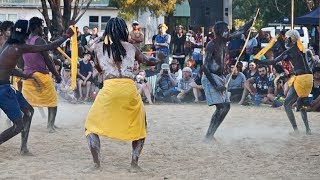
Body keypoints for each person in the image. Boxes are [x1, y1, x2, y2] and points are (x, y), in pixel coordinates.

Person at [84, 17, 164, 171]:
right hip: (129, 89)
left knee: (90, 126)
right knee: (140, 126)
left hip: (109, 88)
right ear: (123, 30)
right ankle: (134, 164)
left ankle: (96, 164)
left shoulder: (99, 48)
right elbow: (148, 60)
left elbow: (99, 69)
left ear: (107, 31)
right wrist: (159, 59)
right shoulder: (131, 47)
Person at [0, 19, 73, 154]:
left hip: (6, 87)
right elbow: (50, 47)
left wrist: (22, 73)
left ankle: (23, 149)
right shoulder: (20, 46)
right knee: (18, 126)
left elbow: (5, 67)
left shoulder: (8, 44)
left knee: (28, 111)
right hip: (3, 89)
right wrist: (67, 36)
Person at [202, 19, 253, 140]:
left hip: (220, 77)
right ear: (219, 32)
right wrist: (215, 85)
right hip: (211, 77)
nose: (228, 32)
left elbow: (241, 30)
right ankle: (209, 135)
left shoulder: (225, 40)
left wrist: (250, 21)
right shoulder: (211, 45)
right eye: (226, 30)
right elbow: (204, 67)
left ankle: (211, 134)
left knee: (226, 106)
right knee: (221, 107)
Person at [255, 30, 313, 135]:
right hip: (309, 78)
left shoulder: (290, 51)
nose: (285, 39)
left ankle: (296, 130)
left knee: (287, 104)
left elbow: (273, 61)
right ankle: (307, 130)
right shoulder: (302, 48)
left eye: (286, 38)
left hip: (301, 79)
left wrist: (259, 61)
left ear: (290, 39)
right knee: (301, 103)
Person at [22, 17, 62, 133]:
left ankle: (18, 123)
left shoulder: (24, 40)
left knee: (27, 103)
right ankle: (50, 126)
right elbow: (48, 60)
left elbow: (21, 59)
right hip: (41, 76)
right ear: (36, 27)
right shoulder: (40, 41)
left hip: (27, 76)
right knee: (53, 101)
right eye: (40, 26)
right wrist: (56, 75)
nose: (42, 29)